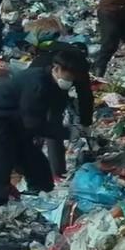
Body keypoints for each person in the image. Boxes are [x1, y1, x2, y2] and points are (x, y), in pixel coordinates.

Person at [0, 50, 88, 218]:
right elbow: (33, 123)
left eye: (73, 78)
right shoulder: (37, 83)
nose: (70, 81)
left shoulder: (57, 85)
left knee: (40, 173)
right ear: (56, 68)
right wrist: (67, 133)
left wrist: (78, 128)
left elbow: (52, 116)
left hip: (18, 129)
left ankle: (41, 211)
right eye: (68, 75)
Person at [28, 42, 94, 178]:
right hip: (34, 92)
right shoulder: (39, 71)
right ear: (57, 69)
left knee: (54, 124)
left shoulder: (80, 71)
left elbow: (85, 96)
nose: (73, 78)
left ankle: (57, 173)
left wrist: (86, 122)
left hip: (57, 91)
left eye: (74, 76)